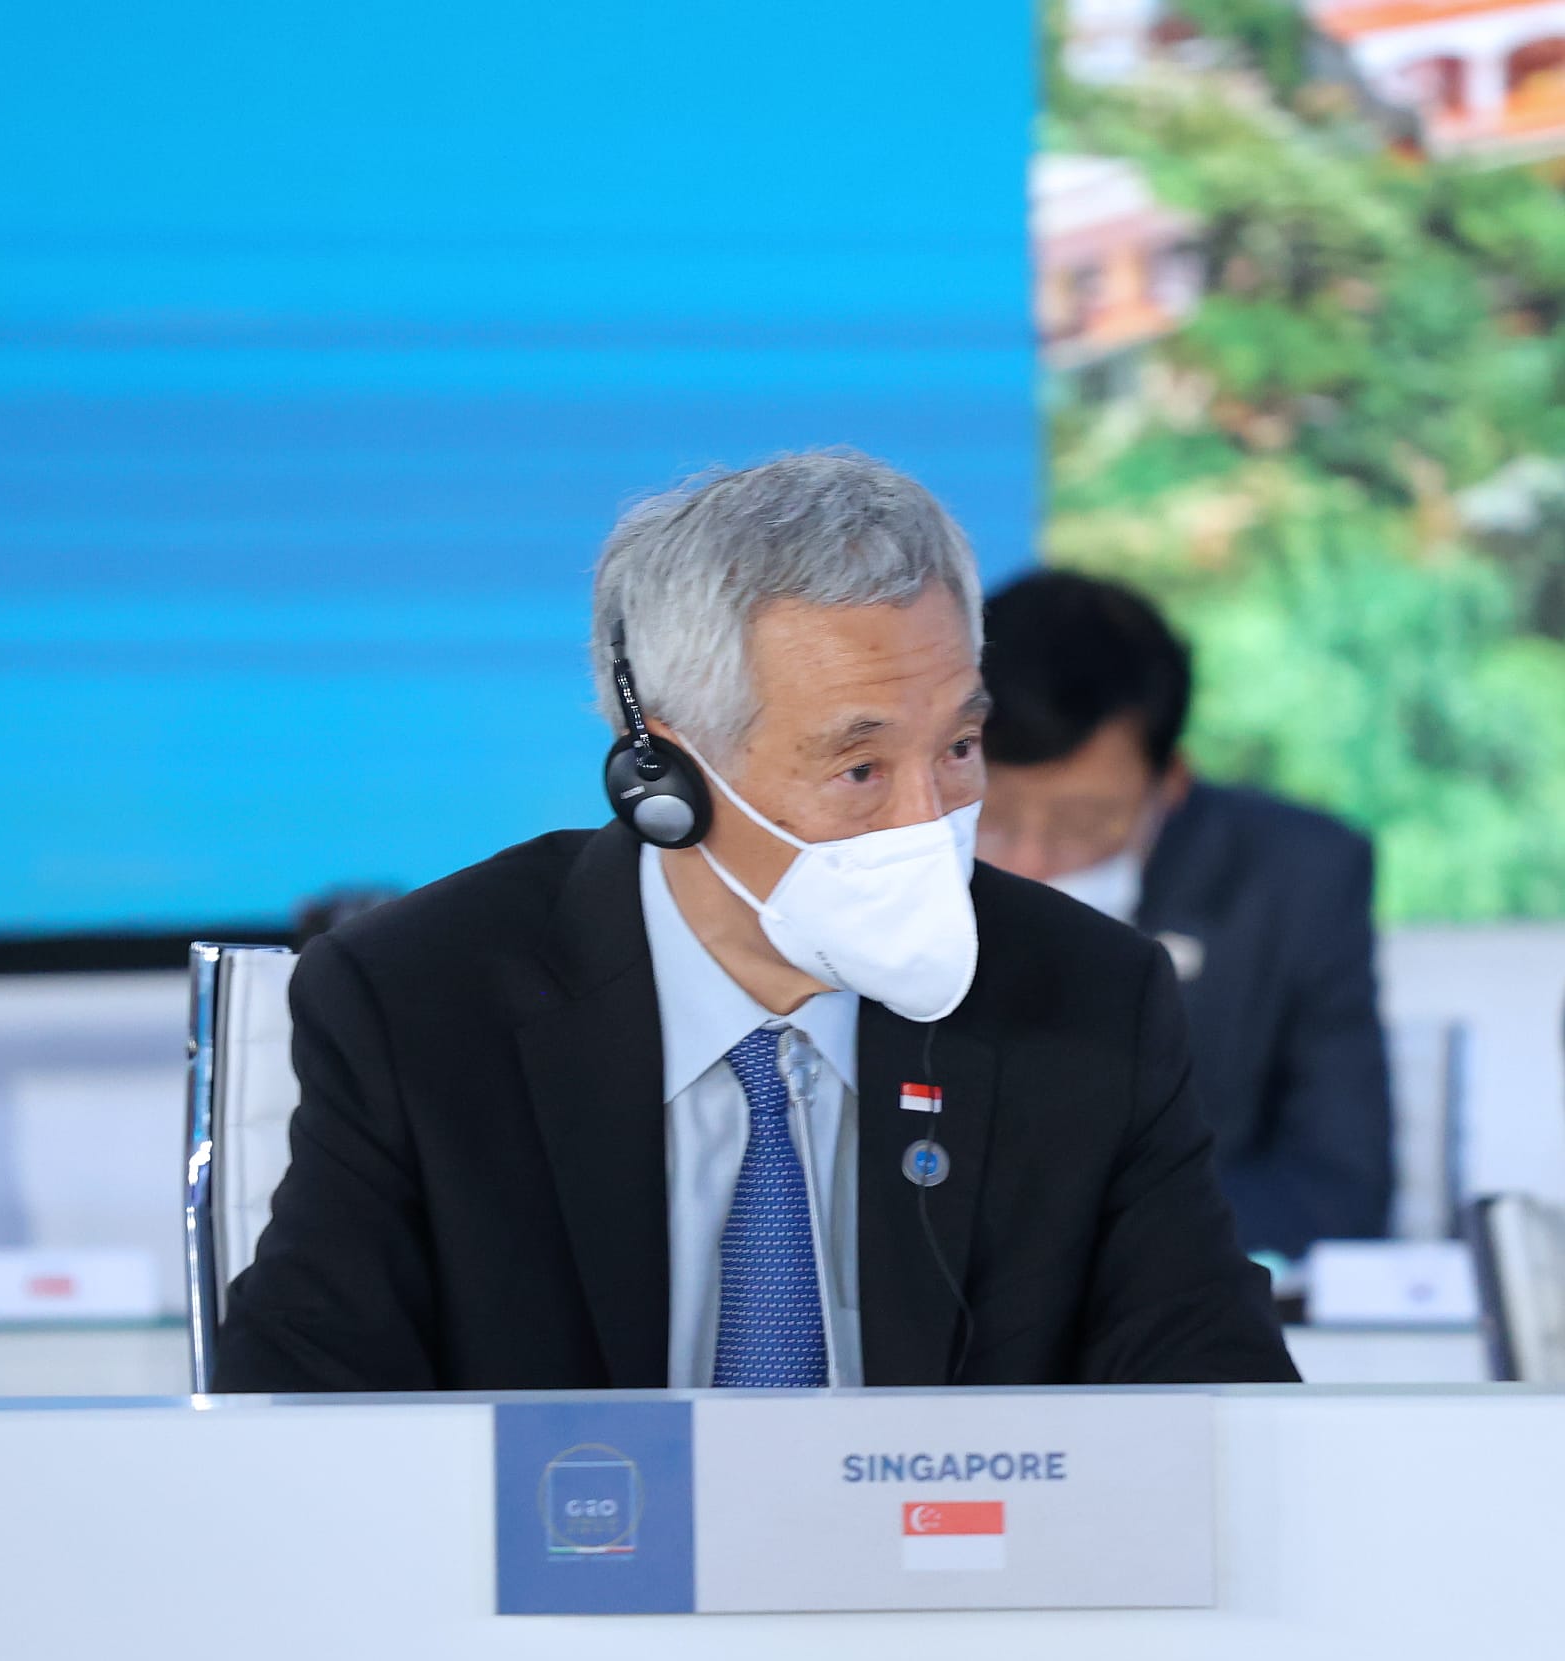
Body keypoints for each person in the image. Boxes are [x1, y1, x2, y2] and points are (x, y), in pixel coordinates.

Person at [213, 451, 1295, 1393]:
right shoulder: (417, 1001)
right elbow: (307, 1433)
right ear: (667, 779)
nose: (932, 821)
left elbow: (1220, 1414)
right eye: (860, 767)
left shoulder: (1091, 998)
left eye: (960, 749)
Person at [976, 571, 1393, 1260]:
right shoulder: (869, 861)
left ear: (1169, 785)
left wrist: (1073, 1235)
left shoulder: (1297, 878)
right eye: (990, 815)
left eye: (1083, 823)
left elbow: (1336, 1190)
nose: (1029, 860)